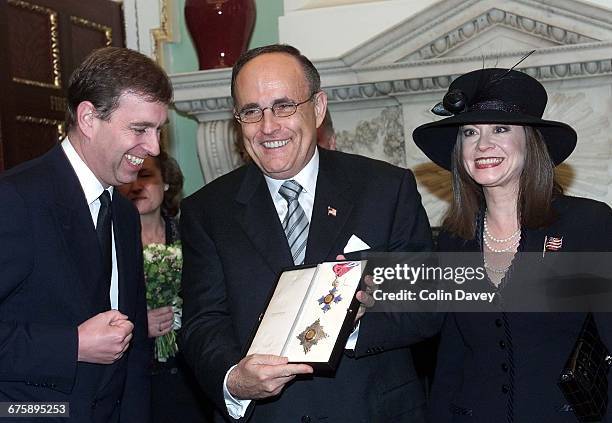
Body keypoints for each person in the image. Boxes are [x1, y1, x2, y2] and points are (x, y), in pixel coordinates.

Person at [180, 44, 439, 422]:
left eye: (284, 106)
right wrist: (234, 379)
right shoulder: (207, 210)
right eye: (252, 112)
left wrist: (346, 325)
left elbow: (426, 304)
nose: (269, 127)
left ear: (317, 108)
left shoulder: (385, 188)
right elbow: (203, 321)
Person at [412, 67, 612, 421]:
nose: (482, 145)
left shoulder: (588, 225)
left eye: (500, 129)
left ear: (531, 141)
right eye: (470, 132)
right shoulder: (454, 242)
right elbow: (452, 360)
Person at [0, 46, 172, 422]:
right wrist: (72, 345)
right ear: (89, 118)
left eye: (159, 130)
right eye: (140, 129)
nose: (154, 147)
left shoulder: (124, 212)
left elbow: (134, 353)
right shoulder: (15, 199)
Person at [119, 151, 213, 422]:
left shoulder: (191, 234)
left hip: (191, 370)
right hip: (136, 374)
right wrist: (138, 323)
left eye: (146, 176)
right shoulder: (110, 242)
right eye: (130, 178)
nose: (136, 185)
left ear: (166, 182)